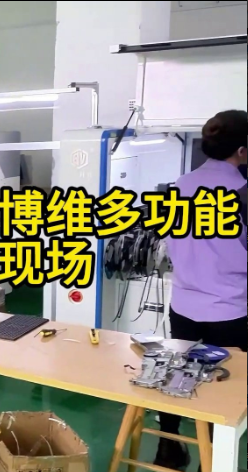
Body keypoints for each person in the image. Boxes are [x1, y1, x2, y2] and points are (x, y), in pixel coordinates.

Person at [155, 110, 248, 470]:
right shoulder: (241, 193)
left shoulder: (179, 186)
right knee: (224, 386)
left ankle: (168, 447)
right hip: (229, 309)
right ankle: (212, 459)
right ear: (241, 150)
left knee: (180, 373)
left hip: (183, 304)